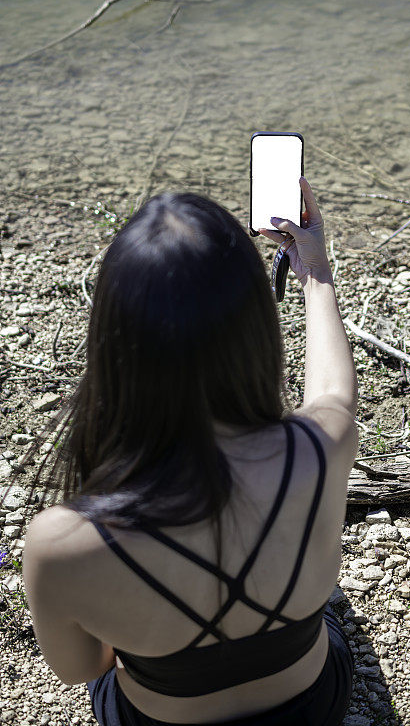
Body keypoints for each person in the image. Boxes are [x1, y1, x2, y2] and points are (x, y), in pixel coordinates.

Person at [22, 177, 358, 726]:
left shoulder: (58, 543)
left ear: (114, 344)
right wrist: (314, 271)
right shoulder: (320, 451)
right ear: (255, 332)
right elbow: (333, 394)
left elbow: (84, 668)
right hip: (313, 708)